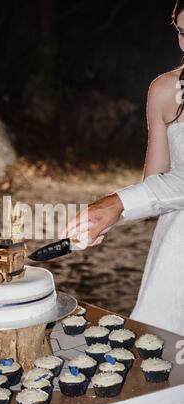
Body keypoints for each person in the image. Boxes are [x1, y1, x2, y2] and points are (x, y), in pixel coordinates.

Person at [67, 0, 184, 336]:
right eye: (181, 32)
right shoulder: (164, 90)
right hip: (177, 256)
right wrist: (110, 217)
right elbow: (156, 183)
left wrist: (118, 204)